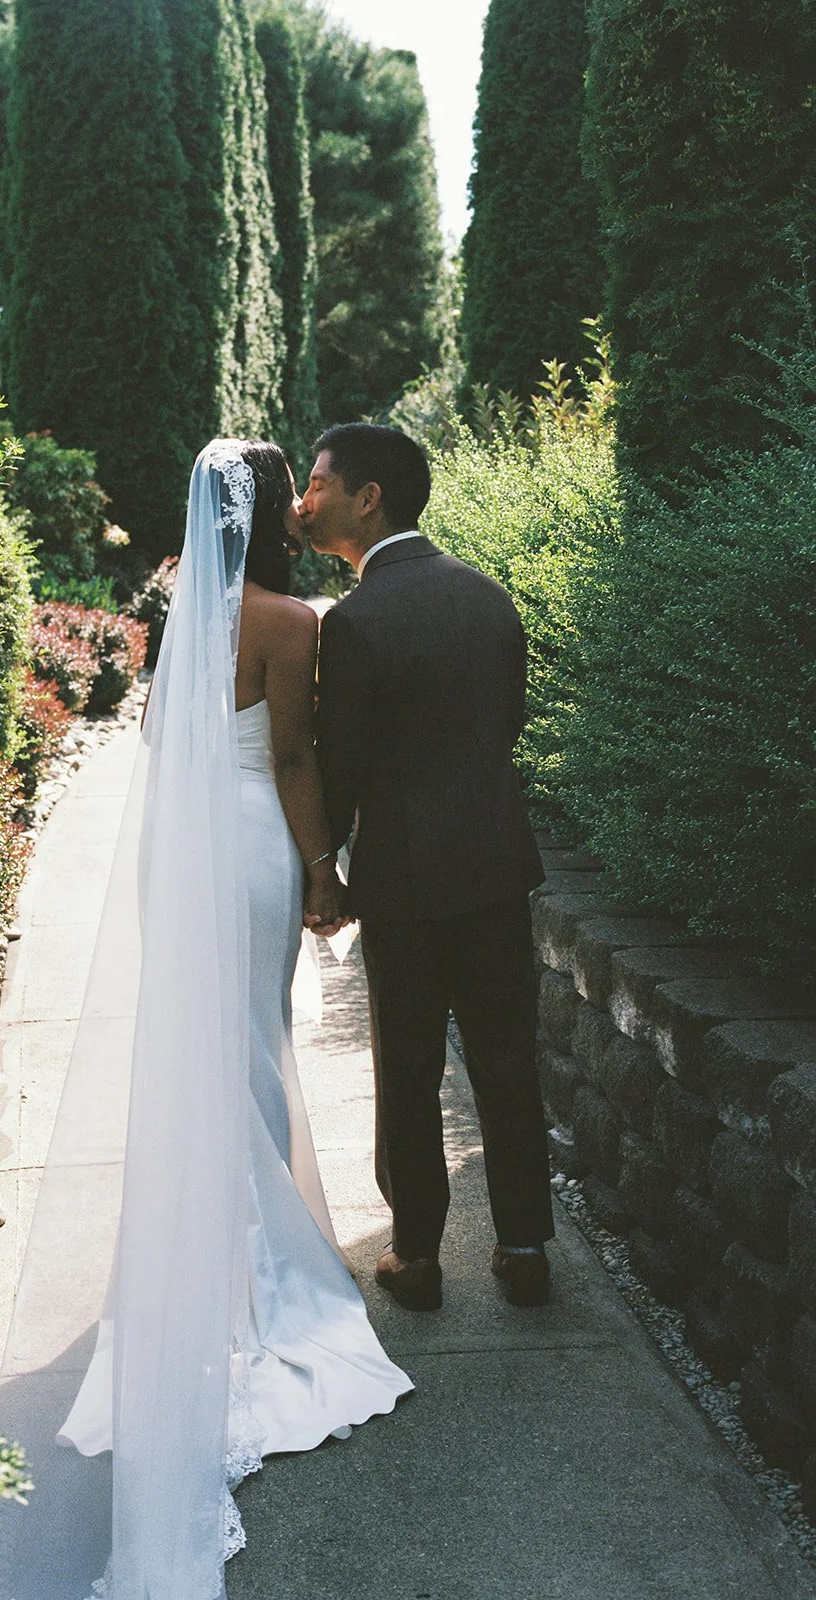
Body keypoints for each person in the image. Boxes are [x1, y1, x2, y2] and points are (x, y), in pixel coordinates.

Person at [0, 439, 409, 1600]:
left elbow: (175, 747)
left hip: (189, 848)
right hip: (257, 847)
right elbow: (289, 755)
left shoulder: (185, 617)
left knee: (212, 1047)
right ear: (278, 510)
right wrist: (324, 867)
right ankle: (260, 1270)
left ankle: (199, 1248)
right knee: (254, 1042)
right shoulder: (292, 620)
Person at [302, 422, 555, 1314]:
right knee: (505, 1054)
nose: (308, 498)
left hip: (404, 876)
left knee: (408, 1063)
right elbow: (506, 726)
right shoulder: (489, 597)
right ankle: (525, 1245)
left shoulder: (359, 621)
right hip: (493, 857)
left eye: (320, 483)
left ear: (368, 498)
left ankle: (415, 1256)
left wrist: (320, 867)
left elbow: (343, 763)